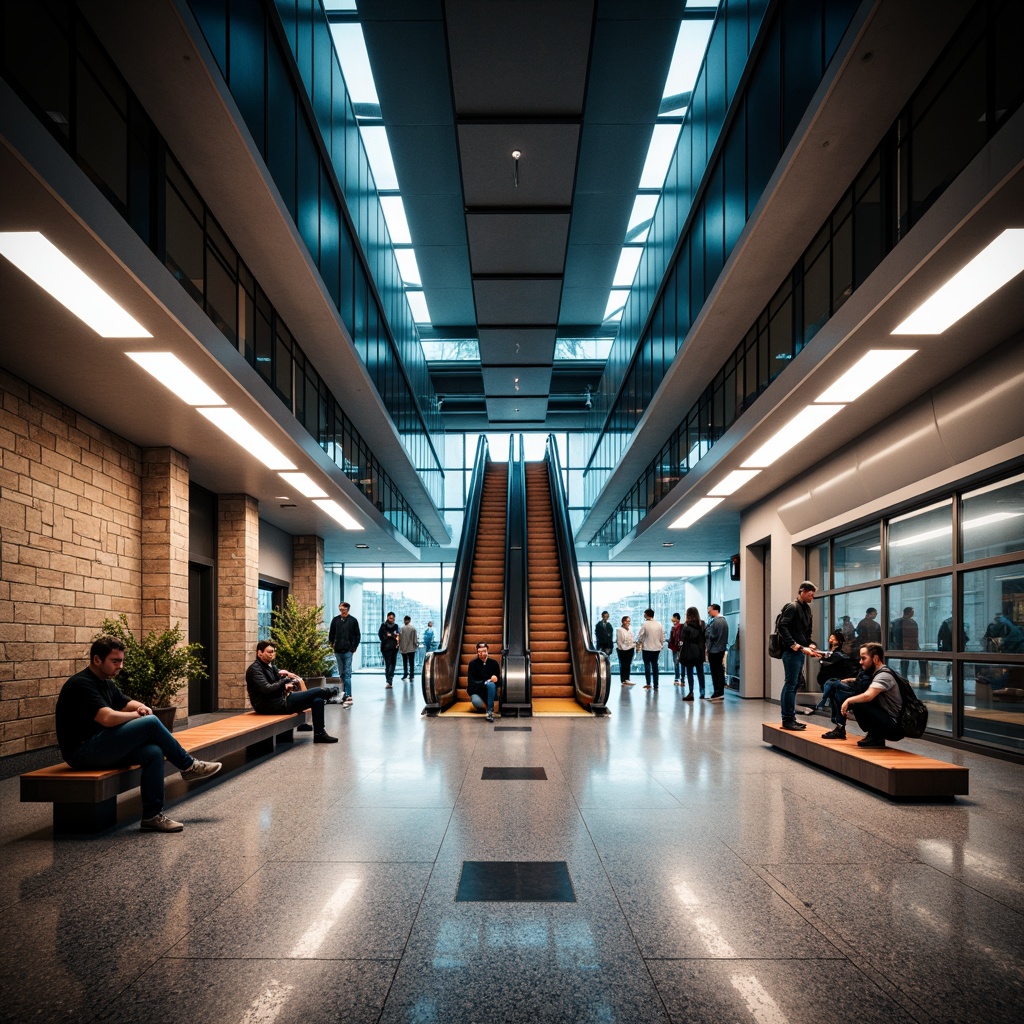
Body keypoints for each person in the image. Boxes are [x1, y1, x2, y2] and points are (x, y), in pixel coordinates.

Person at [55, 636, 222, 833]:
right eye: (115, 661)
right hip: (83, 752)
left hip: (102, 746)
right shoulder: (81, 684)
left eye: (121, 661)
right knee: (149, 723)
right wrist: (138, 716)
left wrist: (142, 707)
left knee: (152, 752)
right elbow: (107, 718)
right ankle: (188, 765)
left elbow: (125, 702)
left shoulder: (105, 682)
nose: (120, 666)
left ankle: (152, 816)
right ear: (97, 660)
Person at [246, 640, 338, 743]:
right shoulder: (255, 669)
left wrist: (288, 682)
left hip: (279, 700)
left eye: (273, 652)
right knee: (317, 693)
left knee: (317, 700)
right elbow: (267, 689)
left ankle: (319, 734)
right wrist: (284, 681)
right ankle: (328, 692)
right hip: (269, 705)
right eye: (269, 652)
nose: (272, 654)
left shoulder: (269, 666)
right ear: (259, 653)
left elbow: (277, 683)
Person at [840, 642, 905, 748]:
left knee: (859, 703)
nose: (860, 662)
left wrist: (848, 701)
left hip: (895, 726)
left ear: (875, 659)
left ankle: (876, 737)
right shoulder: (877, 673)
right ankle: (874, 735)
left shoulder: (883, 675)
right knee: (858, 699)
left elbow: (868, 696)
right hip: (890, 720)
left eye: (863, 658)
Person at [777, 580, 820, 730]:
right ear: (802, 591)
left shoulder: (807, 609)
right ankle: (787, 719)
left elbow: (806, 632)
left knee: (793, 684)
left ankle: (790, 717)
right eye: (810, 594)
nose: (812, 597)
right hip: (791, 652)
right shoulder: (792, 607)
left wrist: (810, 644)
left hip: (800, 651)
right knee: (790, 684)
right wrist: (794, 645)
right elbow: (782, 627)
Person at [800, 629, 859, 738]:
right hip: (837, 682)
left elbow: (829, 660)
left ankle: (839, 727)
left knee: (837, 702)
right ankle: (839, 727)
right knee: (835, 702)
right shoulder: (835, 654)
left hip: (842, 683)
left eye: (833, 637)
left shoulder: (839, 655)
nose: (830, 639)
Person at [328, 601, 359, 707]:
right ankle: (343, 695)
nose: (341, 611)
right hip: (338, 650)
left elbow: (357, 635)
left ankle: (349, 695)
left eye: (343, 609)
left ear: (347, 609)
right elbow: (331, 633)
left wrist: (353, 648)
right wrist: (332, 644)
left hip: (348, 651)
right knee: (341, 674)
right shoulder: (335, 620)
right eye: (340, 609)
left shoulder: (353, 621)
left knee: (347, 674)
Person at [892, 606, 928, 687]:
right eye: (912, 612)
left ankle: (922, 679)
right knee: (904, 662)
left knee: (921, 660)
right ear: (908, 612)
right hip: (903, 646)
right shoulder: (898, 622)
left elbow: (915, 636)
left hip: (912, 646)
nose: (913, 613)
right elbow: (896, 635)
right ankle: (904, 678)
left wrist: (917, 646)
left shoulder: (912, 622)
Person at [466, 641, 500, 721]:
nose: (482, 654)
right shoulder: (473, 664)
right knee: (476, 701)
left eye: (484, 651)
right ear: (477, 652)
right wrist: (485, 682)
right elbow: (471, 683)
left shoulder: (494, 663)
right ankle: (488, 707)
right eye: (479, 652)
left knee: (491, 685)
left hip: (490, 691)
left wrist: (496, 679)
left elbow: (498, 683)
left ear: (487, 651)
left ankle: (490, 711)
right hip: (478, 691)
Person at [679, 607, 706, 701]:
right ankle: (702, 692)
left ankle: (691, 692)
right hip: (699, 652)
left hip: (689, 652)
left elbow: (682, 636)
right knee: (700, 672)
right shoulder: (702, 624)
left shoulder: (686, 625)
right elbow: (705, 637)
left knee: (689, 673)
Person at [636, 608, 665, 690]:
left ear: (648, 615)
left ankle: (648, 683)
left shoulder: (645, 624)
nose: (644, 615)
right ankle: (656, 684)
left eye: (644, 614)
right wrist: (661, 644)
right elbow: (662, 636)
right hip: (656, 648)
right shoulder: (659, 624)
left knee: (647, 666)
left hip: (647, 648)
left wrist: (640, 641)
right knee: (655, 666)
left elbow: (640, 635)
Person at [705, 604, 729, 701]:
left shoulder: (716, 622)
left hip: (714, 650)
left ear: (715, 610)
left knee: (715, 672)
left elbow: (712, 636)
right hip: (721, 649)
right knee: (719, 670)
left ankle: (717, 692)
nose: (708, 612)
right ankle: (719, 691)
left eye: (709, 610)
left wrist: (707, 632)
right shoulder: (724, 621)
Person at [378, 611, 400, 687]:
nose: (391, 619)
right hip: (386, 648)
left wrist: (390, 635)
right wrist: (391, 635)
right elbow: (381, 635)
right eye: (390, 618)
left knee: (393, 663)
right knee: (388, 664)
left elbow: (397, 635)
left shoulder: (396, 626)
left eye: (393, 618)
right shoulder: (383, 625)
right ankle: (388, 679)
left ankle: (390, 679)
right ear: (387, 617)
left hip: (394, 647)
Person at [616, 616, 635, 686]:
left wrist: (632, 646)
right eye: (627, 621)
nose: (628, 623)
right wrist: (625, 648)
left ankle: (627, 679)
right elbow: (620, 641)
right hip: (623, 650)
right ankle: (623, 680)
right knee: (623, 665)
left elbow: (632, 639)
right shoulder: (620, 630)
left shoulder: (630, 629)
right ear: (623, 622)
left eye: (629, 621)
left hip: (630, 649)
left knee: (628, 665)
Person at [399, 615, 418, 681]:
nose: (405, 621)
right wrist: (416, 646)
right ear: (410, 620)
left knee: (405, 662)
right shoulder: (413, 628)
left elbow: (400, 639)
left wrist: (400, 647)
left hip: (404, 648)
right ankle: (412, 675)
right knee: (411, 662)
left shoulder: (402, 628)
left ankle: (405, 674)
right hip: (411, 648)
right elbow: (415, 639)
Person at [668, 612, 684, 684]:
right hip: (676, 647)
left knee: (679, 663)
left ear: (677, 619)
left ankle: (680, 678)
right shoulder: (674, 628)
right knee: (677, 663)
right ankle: (679, 678)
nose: (672, 620)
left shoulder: (680, 627)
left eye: (674, 618)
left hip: (679, 647)